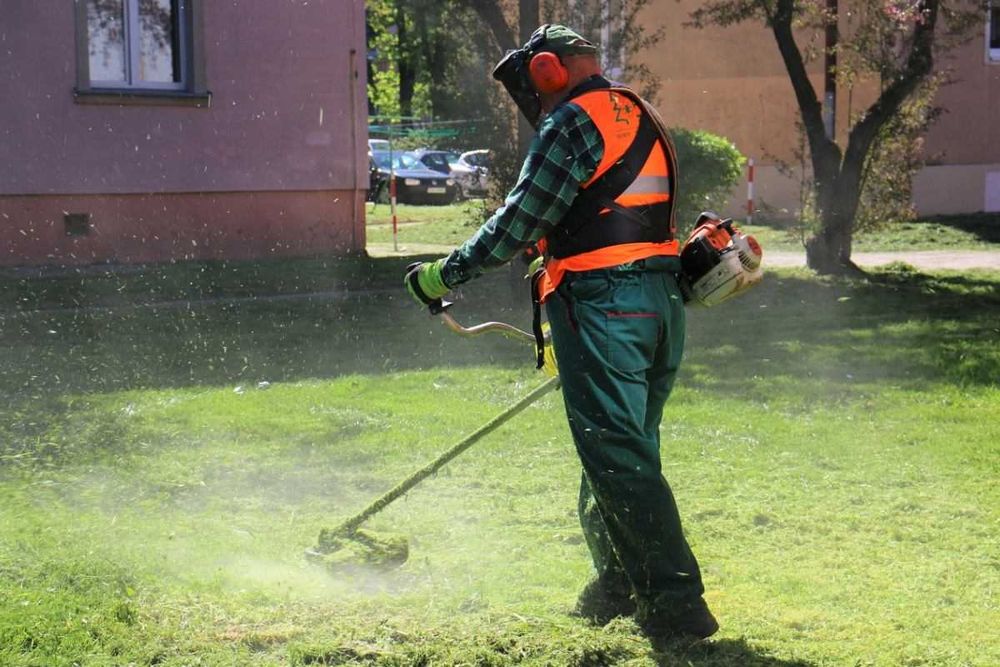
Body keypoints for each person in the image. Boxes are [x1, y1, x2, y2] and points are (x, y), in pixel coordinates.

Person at [404, 24, 718, 641]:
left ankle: (677, 604)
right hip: (657, 302)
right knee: (620, 450)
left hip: (604, 304)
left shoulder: (573, 120)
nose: (535, 102)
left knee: (619, 456)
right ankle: (617, 584)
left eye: (532, 88)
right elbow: (606, 209)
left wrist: (445, 275)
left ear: (547, 70)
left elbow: (520, 218)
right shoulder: (637, 110)